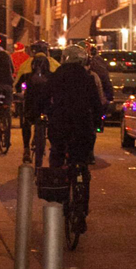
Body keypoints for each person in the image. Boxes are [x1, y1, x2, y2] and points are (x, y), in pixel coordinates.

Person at [44, 45, 103, 231]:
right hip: (82, 128)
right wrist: (98, 122)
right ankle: (82, 207)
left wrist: (45, 113)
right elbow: (97, 104)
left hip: (60, 126)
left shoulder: (56, 76)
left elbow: (45, 98)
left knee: (57, 155)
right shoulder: (88, 78)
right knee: (82, 164)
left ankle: (56, 194)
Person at [15, 41, 54, 164]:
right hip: (48, 102)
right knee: (53, 122)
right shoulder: (54, 64)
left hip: (31, 101)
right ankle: (55, 147)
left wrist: (18, 93)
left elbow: (17, 84)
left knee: (26, 122)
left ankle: (26, 149)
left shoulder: (26, 64)